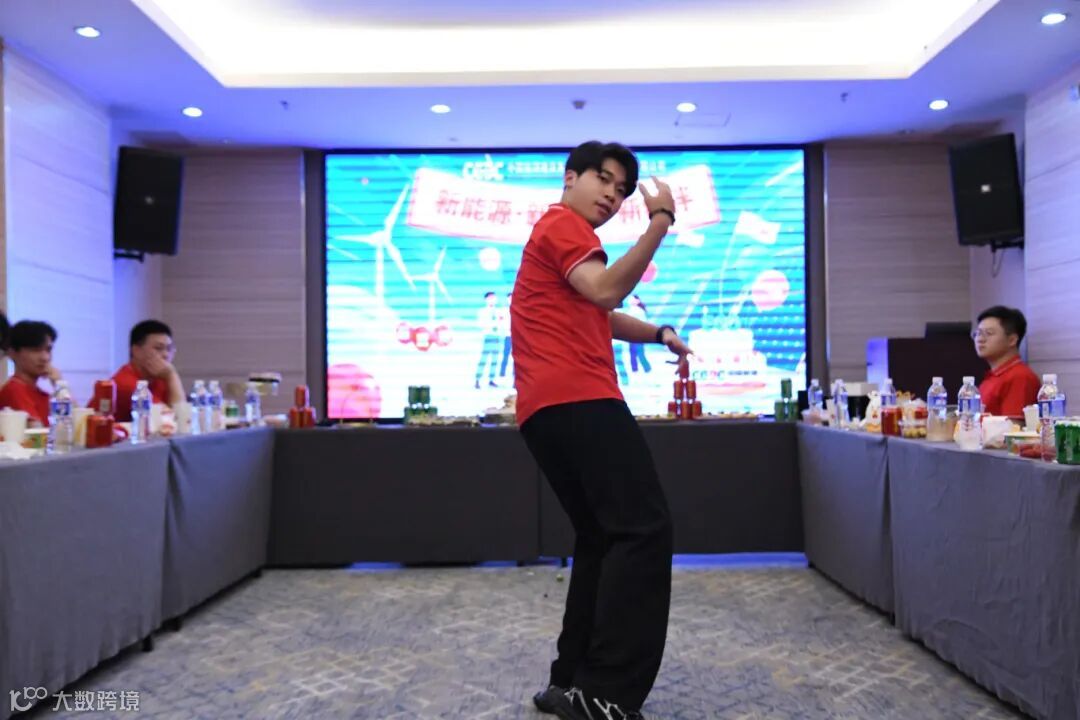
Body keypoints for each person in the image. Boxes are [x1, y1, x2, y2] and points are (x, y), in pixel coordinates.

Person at [512, 141, 692, 720]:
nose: (613, 195)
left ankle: (570, 682)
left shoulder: (557, 239)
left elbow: (600, 312)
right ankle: (605, 694)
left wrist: (658, 332)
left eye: (622, 189)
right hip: (581, 400)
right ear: (570, 178)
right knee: (643, 530)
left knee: (602, 537)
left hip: (547, 410)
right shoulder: (563, 225)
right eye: (604, 179)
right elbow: (606, 290)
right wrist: (659, 221)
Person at [111, 320, 186, 422]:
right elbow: (175, 421)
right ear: (136, 351)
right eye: (158, 348)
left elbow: (184, 421)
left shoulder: (160, 377)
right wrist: (172, 375)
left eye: (169, 349)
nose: (166, 355)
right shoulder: (124, 383)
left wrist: (171, 377)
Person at [973, 305, 1040, 417]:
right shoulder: (992, 376)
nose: (980, 339)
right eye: (978, 333)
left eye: (989, 333)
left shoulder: (1020, 377)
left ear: (1012, 340)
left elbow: (1013, 425)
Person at [0, 321, 61, 426]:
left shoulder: (42, 394)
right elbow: (37, 432)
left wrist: (60, 383)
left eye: (48, 350)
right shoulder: (14, 389)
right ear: (12, 353)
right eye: (36, 350)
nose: (45, 358)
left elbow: (77, 424)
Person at [474, 292, 501, 389]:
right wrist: (491, 324)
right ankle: (477, 379)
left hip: (497, 336)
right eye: (490, 298)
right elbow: (480, 324)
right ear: (486, 300)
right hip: (488, 336)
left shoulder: (499, 311)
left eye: (494, 298)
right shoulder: (482, 312)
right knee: (484, 359)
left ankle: (491, 380)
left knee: (495, 359)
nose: (493, 300)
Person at [626, 295, 652, 374]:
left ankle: (647, 369)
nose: (630, 301)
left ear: (637, 301)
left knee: (640, 353)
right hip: (631, 335)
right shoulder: (630, 310)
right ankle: (635, 370)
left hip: (638, 335)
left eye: (632, 299)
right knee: (633, 354)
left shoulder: (639, 311)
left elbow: (644, 323)